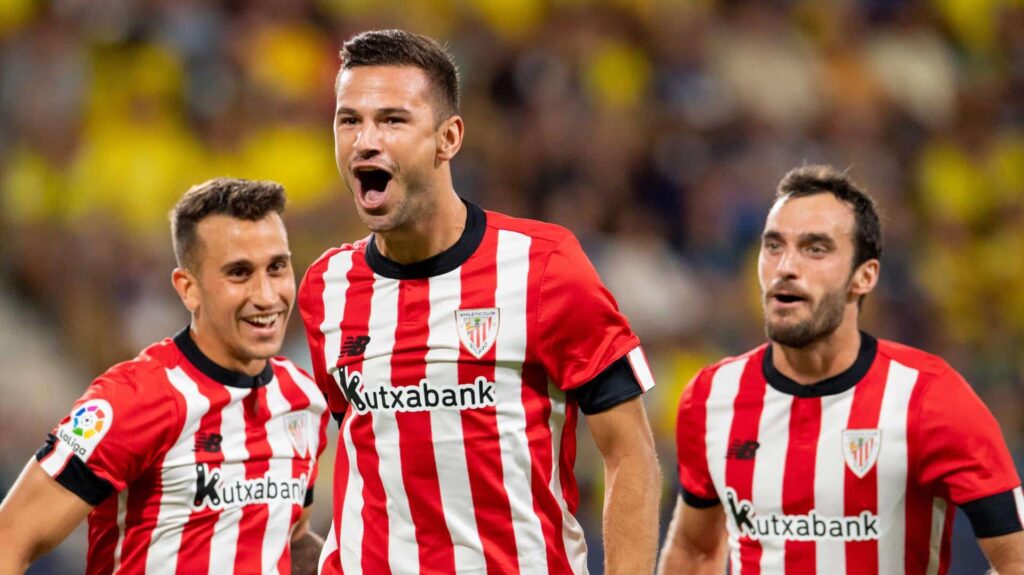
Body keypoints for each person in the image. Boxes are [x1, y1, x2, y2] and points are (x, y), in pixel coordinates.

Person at [298, 29, 661, 574]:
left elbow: (630, 453)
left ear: (448, 138)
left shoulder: (545, 266)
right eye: (349, 120)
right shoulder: (326, 287)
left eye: (393, 120)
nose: (365, 141)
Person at [658, 165, 1024, 574]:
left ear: (864, 277)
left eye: (815, 249)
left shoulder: (929, 396)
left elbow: (1017, 556)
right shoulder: (711, 397)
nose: (785, 266)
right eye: (774, 246)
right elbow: (695, 550)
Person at [0, 178, 329, 574]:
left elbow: (289, 538)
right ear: (188, 289)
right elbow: (10, 538)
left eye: (276, 267)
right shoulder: (131, 399)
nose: (266, 295)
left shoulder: (303, 398)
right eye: (239, 273)